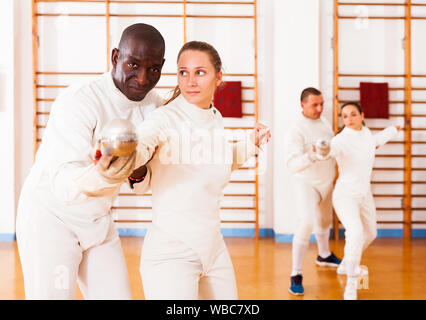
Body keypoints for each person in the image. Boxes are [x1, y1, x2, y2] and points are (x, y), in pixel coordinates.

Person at [16, 23, 165, 299]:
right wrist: (105, 172)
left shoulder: (155, 107)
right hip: (51, 219)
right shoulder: (79, 101)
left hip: (98, 222)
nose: (143, 79)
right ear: (115, 57)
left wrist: (138, 167)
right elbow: (63, 185)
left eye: (153, 69)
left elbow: (144, 185)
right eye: (133, 64)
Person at [132, 41, 271, 299]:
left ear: (219, 77)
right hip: (171, 252)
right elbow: (142, 142)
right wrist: (127, 154)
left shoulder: (214, 117)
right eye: (183, 72)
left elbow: (218, 163)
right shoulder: (165, 118)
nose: (190, 81)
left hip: (213, 249)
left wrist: (249, 143)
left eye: (200, 72)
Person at [317, 102, 400, 300]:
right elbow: (329, 151)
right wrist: (322, 150)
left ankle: (346, 263)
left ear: (362, 115)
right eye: (345, 116)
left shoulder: (366, 135)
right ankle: (351, 285)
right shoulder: (340, 140)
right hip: (345, 195)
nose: (349, 119)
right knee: (355, 233)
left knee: (370, 233)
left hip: (364, 195)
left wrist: (394, 129)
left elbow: (378, 140)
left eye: (353, 114)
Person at [285, 87, 341, 296]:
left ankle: (324, 255)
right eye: (314, 105)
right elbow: (291, 164)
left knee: (324, 221)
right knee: (306, 222)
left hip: (325, 182)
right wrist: (313, 156)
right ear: (302, 105)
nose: (319, 109)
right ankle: (296, 273)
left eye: (321, 104)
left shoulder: (325, 123)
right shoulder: (296, 129)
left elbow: (332, 148)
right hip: (306, 182)